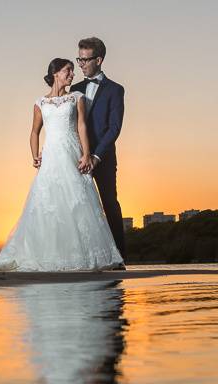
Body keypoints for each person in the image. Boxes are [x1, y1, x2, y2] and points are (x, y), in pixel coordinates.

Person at [0, 58, 123, 272]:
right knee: (49, 203)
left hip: (72, 152)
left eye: (73, 71)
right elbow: (34, 131)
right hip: (51, 155)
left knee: (79, 201)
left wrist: (86, 154)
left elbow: (82, 127)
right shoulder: (40, 103)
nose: (72, 74)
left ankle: (85, 255)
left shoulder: (77, 97)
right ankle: (51, 255)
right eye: (68, 70)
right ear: (56, 73)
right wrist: (34, 155)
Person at [70, 37, 126, 262]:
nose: (81, 64)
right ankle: (81, 257)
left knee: (109, 203)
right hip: (75, 157)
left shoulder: (115, 90)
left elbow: (114, 128)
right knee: (77, 207)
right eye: (79, 59)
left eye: (85, 59)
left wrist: (95, 156)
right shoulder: (74, 89)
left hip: (102, 158)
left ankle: (120, 256)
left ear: (99, 59)